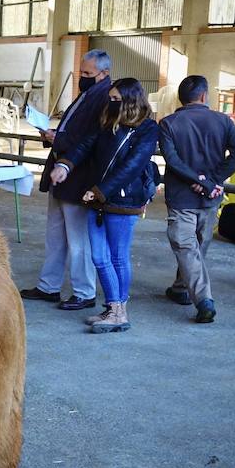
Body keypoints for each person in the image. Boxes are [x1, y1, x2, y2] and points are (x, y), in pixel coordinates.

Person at [49, 79, 159, 333]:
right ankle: (113, 308)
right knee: (99, 257)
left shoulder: (147, 129)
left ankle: (119, 311)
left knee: (118, 257)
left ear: (132, 100)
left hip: (122, 201)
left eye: (117, 99)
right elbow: (85, 146)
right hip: (98, 201)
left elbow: (132, 166)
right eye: (111, 98)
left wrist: (99, 191)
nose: (111, 102)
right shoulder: (106, 121)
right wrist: (65, 165)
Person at [21, 49, 114, 310]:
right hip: (61, 175)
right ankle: (48, 286)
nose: (82, 77)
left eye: (87, 73)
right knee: (55, 236)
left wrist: (58, 139)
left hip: (79, 177)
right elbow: (72, 130)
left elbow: (91, 140)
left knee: (78, 240)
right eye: (81, 72)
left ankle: (84, 292)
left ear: (104, 74)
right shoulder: (87, 94)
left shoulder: (104, 98)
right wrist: (52, 135)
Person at [158, 75, 235, 324]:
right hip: (211, 198)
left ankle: (194, 295)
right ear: (204, 96)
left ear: (181, 98)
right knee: (198, 245)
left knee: (188, 248)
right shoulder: (223, 121)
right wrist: (214, 181)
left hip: (181, 197)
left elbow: (173, 161)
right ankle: (197, 295)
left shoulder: (168, 123)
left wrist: (201, 181)